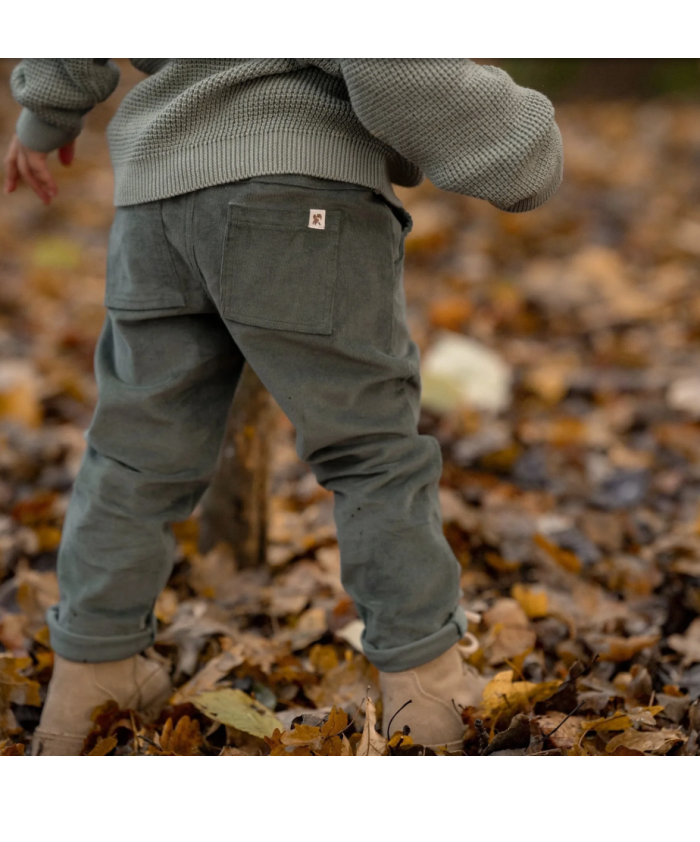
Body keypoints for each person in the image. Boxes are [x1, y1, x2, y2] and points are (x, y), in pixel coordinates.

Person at [4, 59, 563, 755]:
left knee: (133, 452)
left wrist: (45, 114)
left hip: (155, 200)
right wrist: (520, 142)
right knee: (369, 451)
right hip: (300, 184)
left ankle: (90, 677)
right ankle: (426, 684)